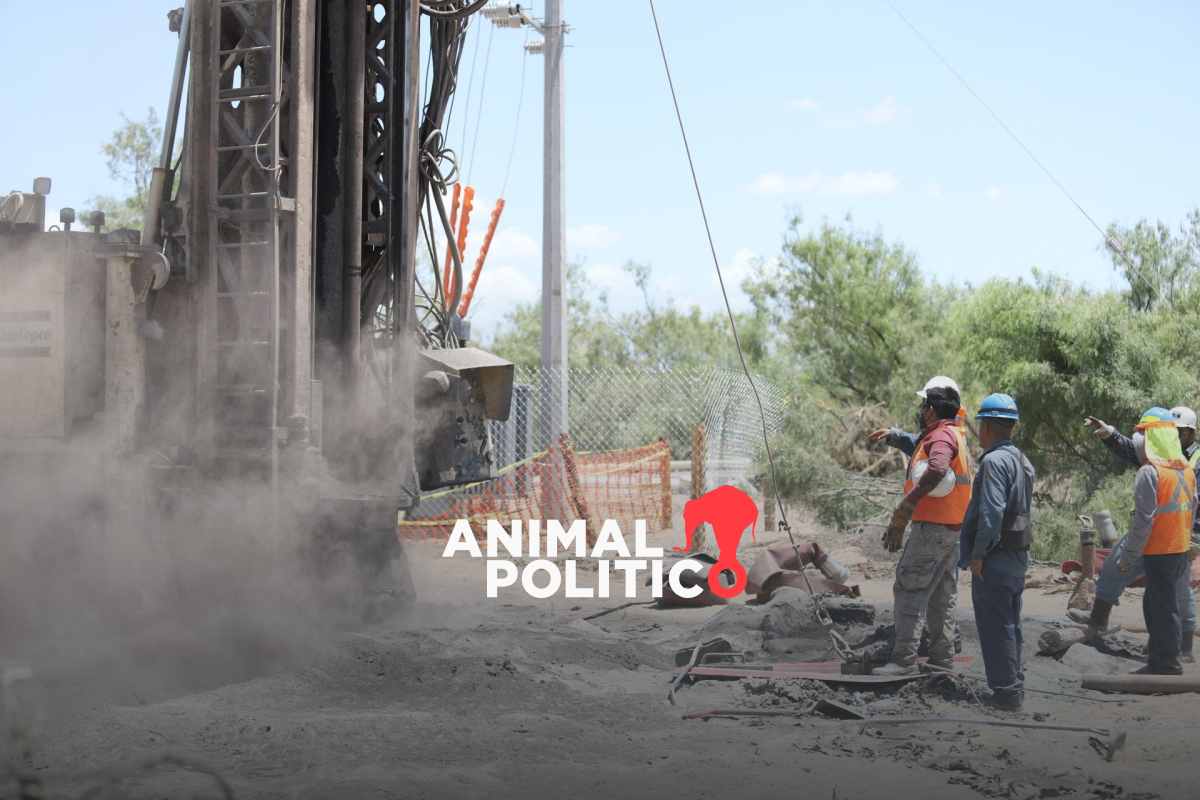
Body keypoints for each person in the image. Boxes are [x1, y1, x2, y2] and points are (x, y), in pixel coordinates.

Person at [868, 376, 973, 676]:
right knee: (942, 594)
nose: (920, 409)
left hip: (932, 529)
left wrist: (905, 508)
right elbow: (919, 445)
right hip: (952, 530)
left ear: (930, 409)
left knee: (910, 586)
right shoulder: (953, 434)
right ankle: (942, 660)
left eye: (922, 404)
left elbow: (937, 467)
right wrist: (894, 435)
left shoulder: (940, 438)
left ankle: (903, 661)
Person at [1080, 407, 1199, 661]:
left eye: (1178, 432)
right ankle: (1098, 624)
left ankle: (1180, 650)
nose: (1173, 437)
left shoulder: (1189, 463)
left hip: (1176, 538)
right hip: (1156, 537)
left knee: (1175, 594)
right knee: (1117, 570)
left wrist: (1194, 539)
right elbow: (1131, 448)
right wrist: (1110, 434)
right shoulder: (1158, 458)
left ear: (1190, 433)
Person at [959, 394, 1034, 710]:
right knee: (1010, 621)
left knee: (994, 624)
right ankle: (1013, 683)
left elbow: (991, 513)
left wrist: (978, 554)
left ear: (987, 426)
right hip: (1017, 555)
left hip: (996, 556)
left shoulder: (993, 461)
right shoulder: (1022, 460)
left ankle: (1005, 693)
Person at [1111, 408, 1196, 675]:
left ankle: (1165, 663)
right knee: (1164, 604)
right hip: (1179, 548)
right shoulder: (1185, 470)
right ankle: (1166, 656)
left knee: (1160, 607)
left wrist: (1127, 557)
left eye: (1144, 435)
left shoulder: (1150, 473)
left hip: (1160, 551)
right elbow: (1192, 509)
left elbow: (1143, 522)